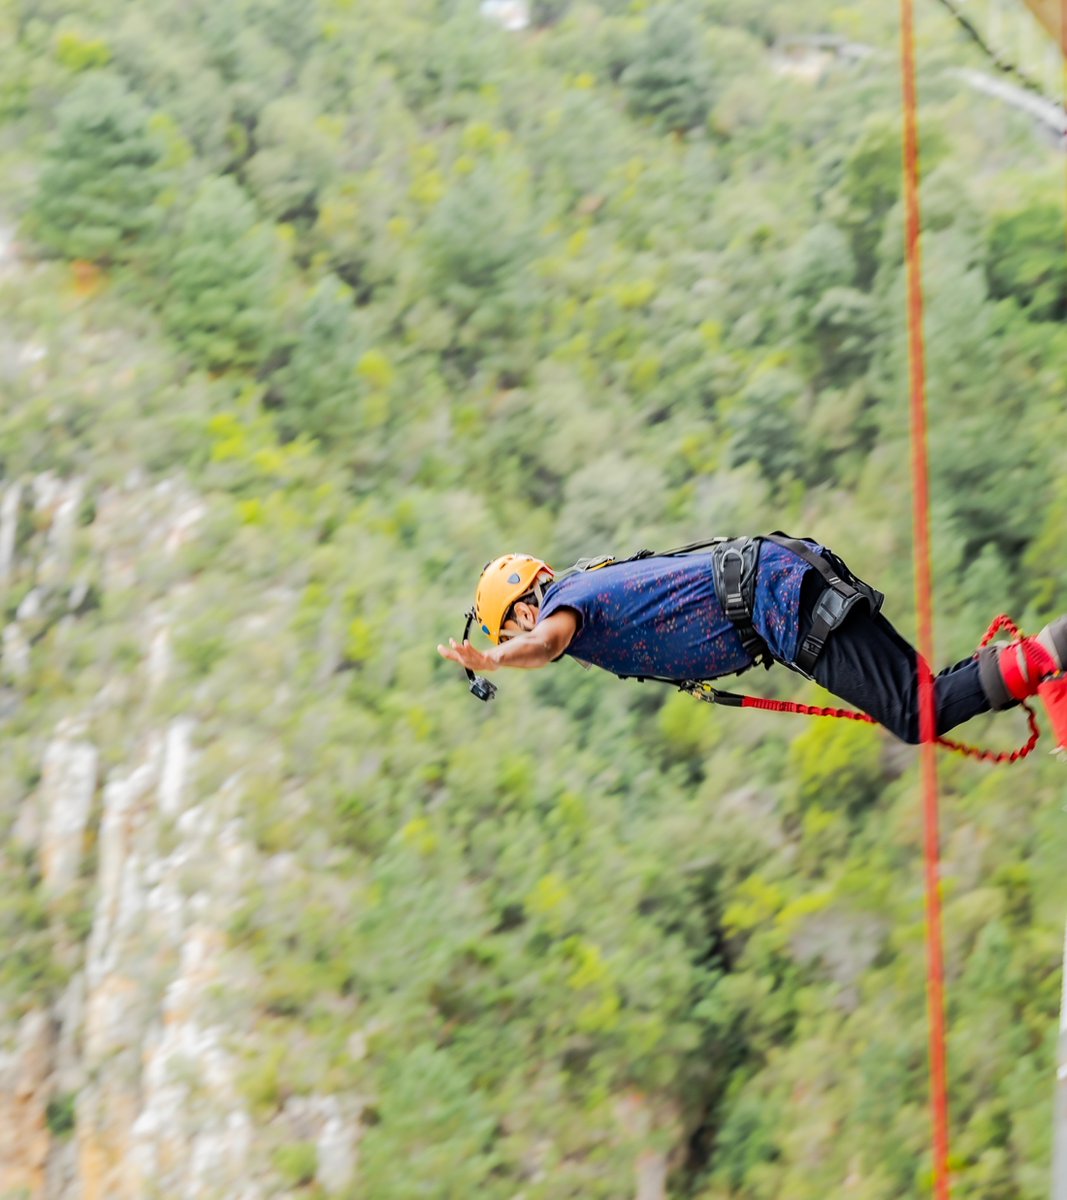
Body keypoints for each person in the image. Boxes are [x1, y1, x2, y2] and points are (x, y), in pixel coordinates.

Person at [436, 535, 1067, 745]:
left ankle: (1049, 658)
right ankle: (1045, 668)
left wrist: (494, 658)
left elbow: (546, 645)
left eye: (511, 624)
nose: (522, 631)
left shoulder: (566, 605)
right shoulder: (589, 584)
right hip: (781, 585)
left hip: (778, 602)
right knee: (920, 699)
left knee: (915, 712)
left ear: (522, 609)